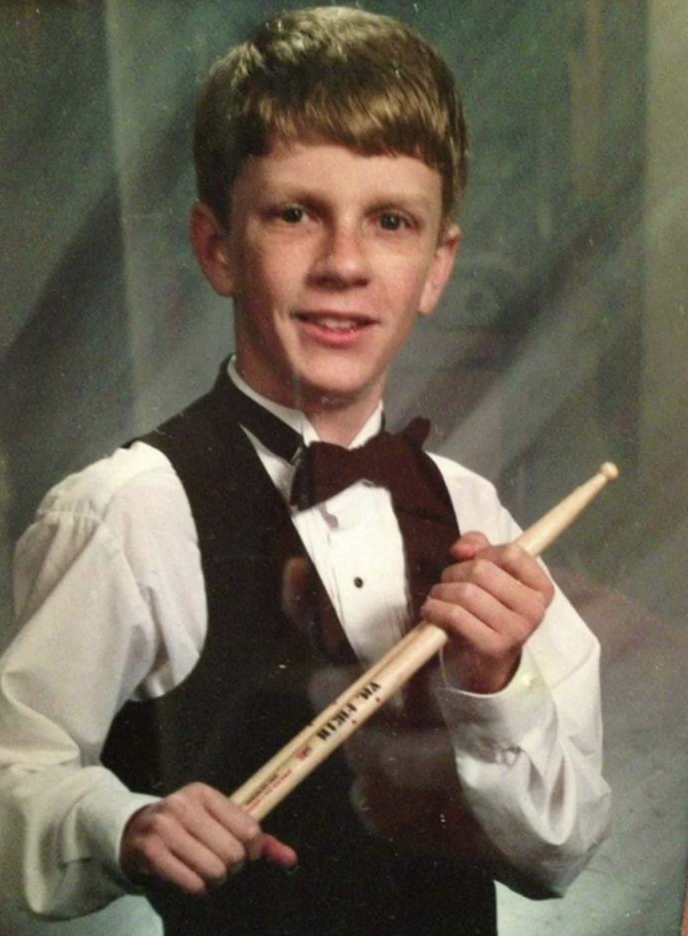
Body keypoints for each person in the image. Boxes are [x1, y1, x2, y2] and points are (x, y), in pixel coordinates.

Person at [0, 7, 611, 935]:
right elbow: (18, 776)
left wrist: (494, 685)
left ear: (437, 265)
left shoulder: (475, 508)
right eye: (296, 214)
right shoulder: (124, 513)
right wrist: (119, 822)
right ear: (217, 247)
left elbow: (559, 858)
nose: (346, 265)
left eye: (392, 221)